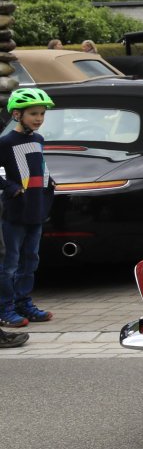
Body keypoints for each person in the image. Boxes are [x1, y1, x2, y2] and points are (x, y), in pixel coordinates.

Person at [0, 88, 57, 330]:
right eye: (33, 113)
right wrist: (11, 188)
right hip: (15, 211)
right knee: (10, 263)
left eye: (42, 114)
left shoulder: (38, 140)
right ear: (17, 114)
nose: (39, 118)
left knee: (30, 260)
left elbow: (37, 167)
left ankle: (23, 303)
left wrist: (49, 182)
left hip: (36, 208)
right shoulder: (5, 142)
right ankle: (5, 308)